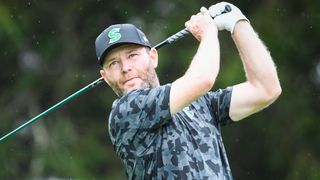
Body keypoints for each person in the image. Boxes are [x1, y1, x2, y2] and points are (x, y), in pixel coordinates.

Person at [95, 2, 281, 179]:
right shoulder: (125, 112)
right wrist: (208, 33)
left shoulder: (201, 103)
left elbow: (266, 89)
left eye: (132, 55)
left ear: (153, 57)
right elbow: (203, 79)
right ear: (105, 76)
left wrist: (238, 24)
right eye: (114, 63)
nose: (125, 67)